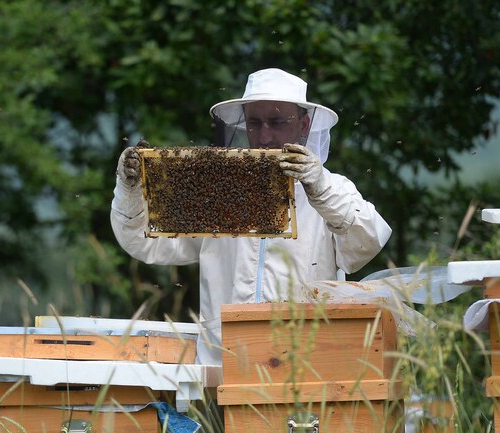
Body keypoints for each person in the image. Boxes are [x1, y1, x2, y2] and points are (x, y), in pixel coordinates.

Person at [111, 68, 392, 365]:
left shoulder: (332, 190)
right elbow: (145, 243)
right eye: (255, 123)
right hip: (225, 361)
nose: (265, 135)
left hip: (305, 363)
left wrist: (320, 188)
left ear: (304, 124)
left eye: (277, 122)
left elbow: (367, 242)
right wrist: (130, 190)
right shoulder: (215, 192)